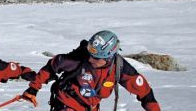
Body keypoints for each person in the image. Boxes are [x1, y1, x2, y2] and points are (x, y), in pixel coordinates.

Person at [21, 30, 161, 111]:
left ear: (109, 58)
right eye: (90, 55)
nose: (90, 60)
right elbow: (51, 67)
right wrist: (33, 89)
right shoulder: (77, 59)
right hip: (66, 104)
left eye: (96, 57)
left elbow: (145, 93)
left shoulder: (120, 68)